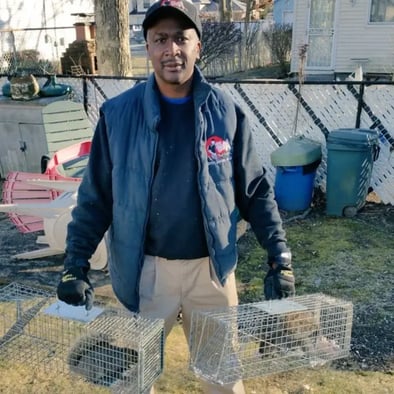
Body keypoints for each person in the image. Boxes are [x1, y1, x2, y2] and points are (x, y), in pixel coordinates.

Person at [57, 0, 295, 392]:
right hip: (147, 274)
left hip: (213, 272)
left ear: (198, 45)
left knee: (222, 378)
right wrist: (74, 265)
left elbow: (254, 191)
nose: (172, 50)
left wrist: (279, 257)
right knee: (132, 379)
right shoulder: (118, 116)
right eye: (160, 39)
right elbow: (96, 198)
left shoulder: (227, 113)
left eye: (181, 38)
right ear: (147, 47)